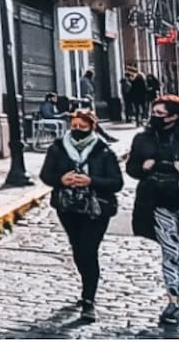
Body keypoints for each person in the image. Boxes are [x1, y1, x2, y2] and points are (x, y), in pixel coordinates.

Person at [39, 108, 124, 323]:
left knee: (88, 250)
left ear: (92, 127)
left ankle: (88, 299)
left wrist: (91, 181)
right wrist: (61, 179)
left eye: (82, 127)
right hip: (68, 207)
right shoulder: (58, 148)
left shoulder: (103, 151)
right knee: (77, 249)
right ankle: (87, 283)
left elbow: (116, 182)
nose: (77, 130)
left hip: (96, 209)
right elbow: (46, 175)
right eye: (74, 126)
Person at [127, 95, 179, 327]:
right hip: (160, 202)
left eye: (161, 114)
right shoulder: (143, 138)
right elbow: (131, 169)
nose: (155, 117)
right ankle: (174, 302)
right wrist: (142, 167)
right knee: (171, 252)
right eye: (154, 113)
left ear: (174, 116)